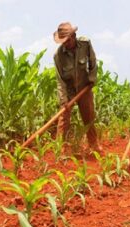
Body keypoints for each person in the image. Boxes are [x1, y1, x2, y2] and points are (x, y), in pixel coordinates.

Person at [53, 22, 102, 153]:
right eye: (62, 41)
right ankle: (61, 149)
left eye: (67, 40)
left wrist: (92, 79)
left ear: (74, 36)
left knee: (88, 117)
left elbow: (93, 61)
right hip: (68, 89)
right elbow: (60, 80)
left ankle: (94, 145)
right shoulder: (58, 55)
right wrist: (64, 101)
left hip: (84, 87)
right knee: (63, 118)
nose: (65, 44)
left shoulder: (85, 44)